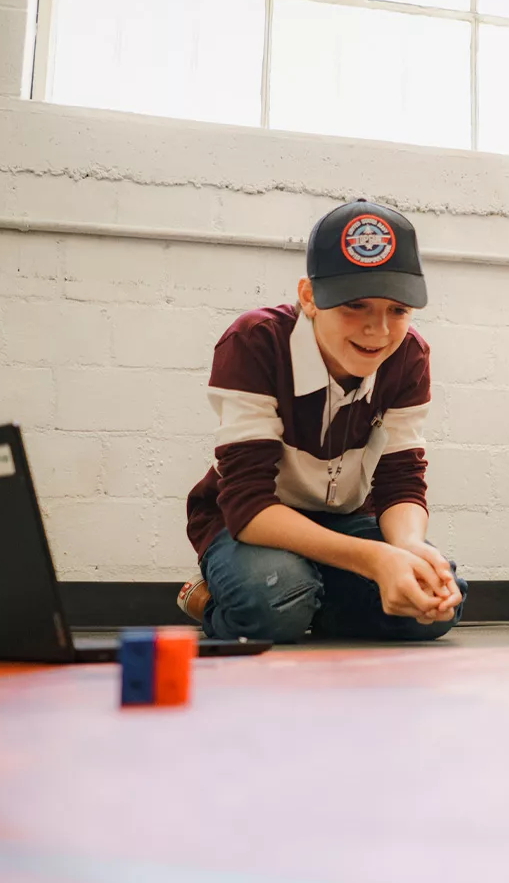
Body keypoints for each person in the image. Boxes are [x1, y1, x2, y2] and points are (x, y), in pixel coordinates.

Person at [178, 199, 465, 643]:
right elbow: (249, 504)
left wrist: (406, 550)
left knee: (439, 602)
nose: (379, 330)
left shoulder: (409, 356)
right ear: (309, 298)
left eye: (398, 310)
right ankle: (217, 598)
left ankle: (312, 597)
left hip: (343, 520)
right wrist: (373, 561)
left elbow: (401, 481)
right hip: (252, 523)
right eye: (355, 306)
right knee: (274, 603)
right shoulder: (254, 342)